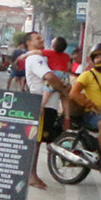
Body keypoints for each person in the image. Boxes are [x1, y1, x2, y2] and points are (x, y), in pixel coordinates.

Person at [21, 31, 63, 190]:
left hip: (48, 105)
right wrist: (64, 87)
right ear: (29, 43)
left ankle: (32, 174)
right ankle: (31, 175)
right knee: (36, 142)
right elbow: (49, 77)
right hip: (41, 106)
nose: (41, 40)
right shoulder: (35, 59)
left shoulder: (42, 57)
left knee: (38, 142)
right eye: (37, 38)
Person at [68, 45, 101, 166]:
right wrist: (91, 105)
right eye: (97, 57)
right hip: (92, 114)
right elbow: (73, 93)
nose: (100, 59)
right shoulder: (87, 75)